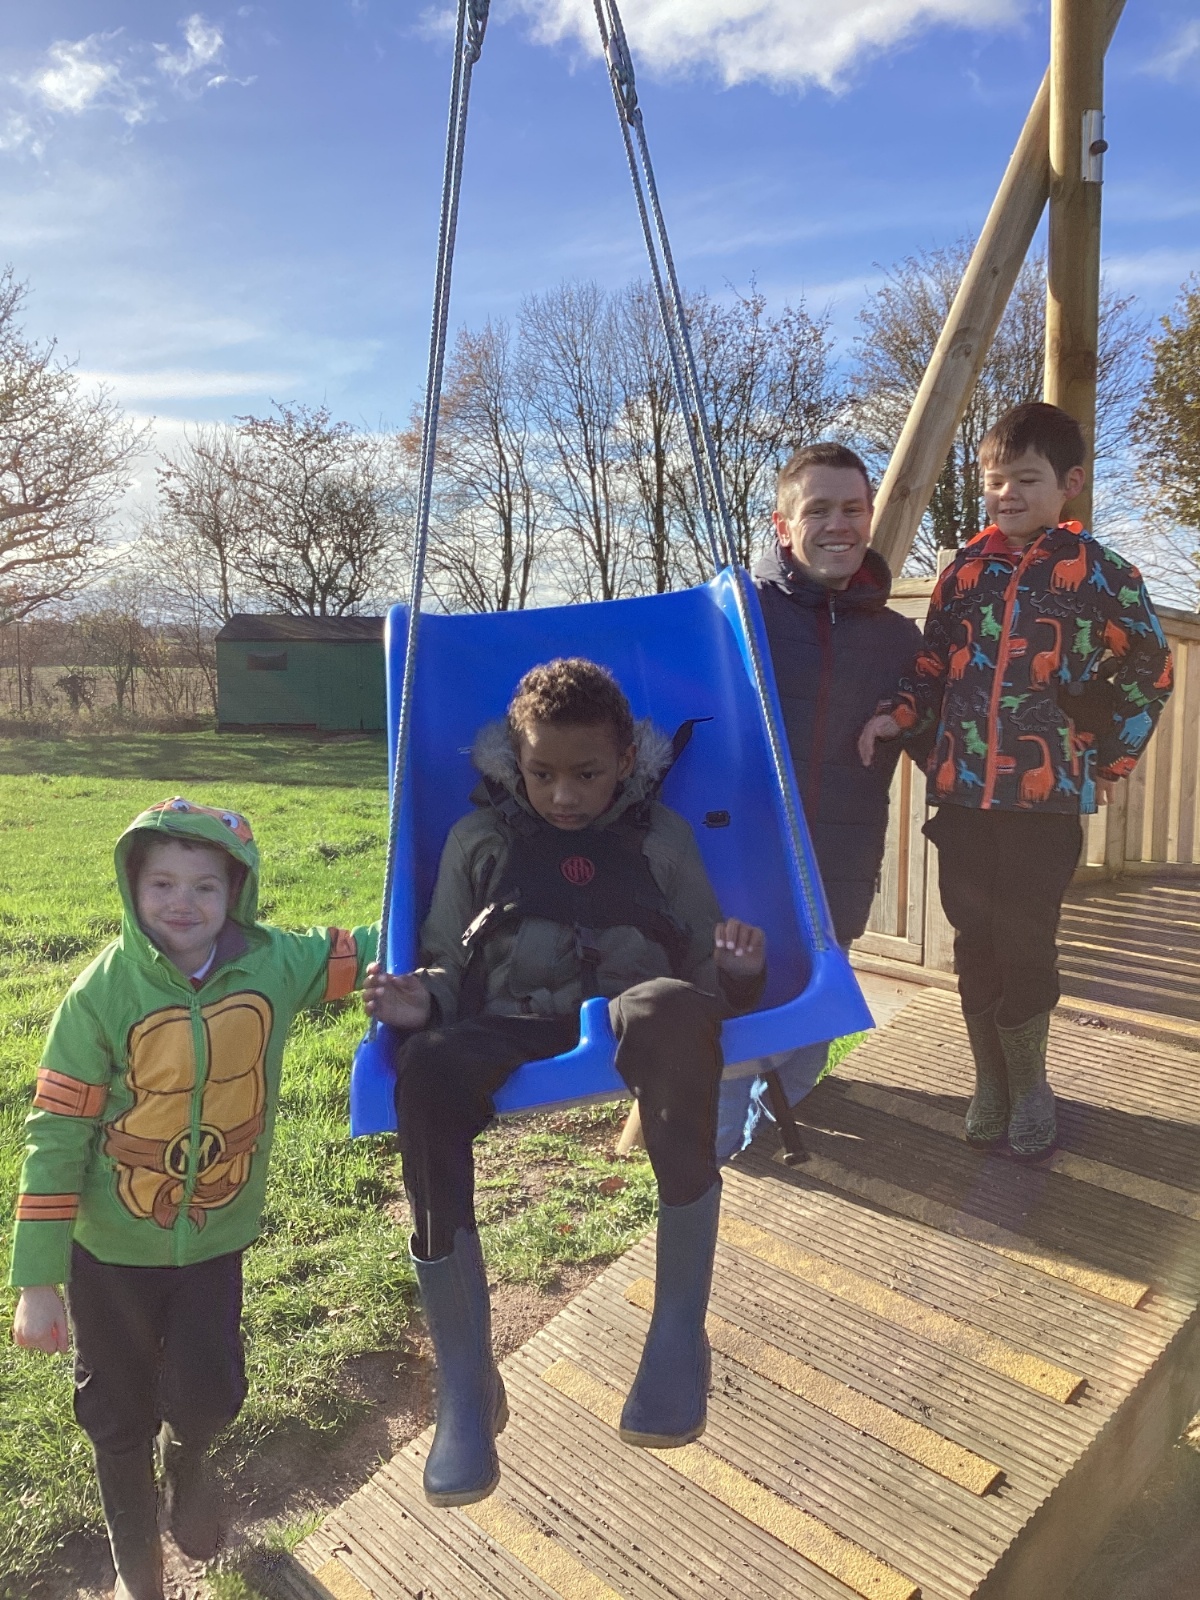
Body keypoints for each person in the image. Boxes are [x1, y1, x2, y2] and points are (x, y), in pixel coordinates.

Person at [363, 658, 766, 1508]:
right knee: (425, 1069)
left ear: (625, 760)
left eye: (586, 774)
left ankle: (677, 1334)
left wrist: (738, 973)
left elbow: (701, 962)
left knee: (670, 1009)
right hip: (509, 1016)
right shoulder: (479, 841)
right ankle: (467, 1384)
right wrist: (416, 1000)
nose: (563, 795)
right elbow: (444, 961)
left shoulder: (662, 838)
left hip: (632, 1013)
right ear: (516, 760)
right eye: (542, 773)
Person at [9, 799, 378, 1600]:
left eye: (205, 886)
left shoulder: (274, 964)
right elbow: (56, 1133)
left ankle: (189, 1459)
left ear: (235, 892)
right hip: (110, 1250)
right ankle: (136, 1571)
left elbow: (371, 950)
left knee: (210, 1395)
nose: (183, 903)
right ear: (132, 887)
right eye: (163, 884)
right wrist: (37, 1280)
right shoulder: (101, 995)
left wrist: (454, 900)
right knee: (116, 1416)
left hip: (215, 1239)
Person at [859, 401, 1173, 1161]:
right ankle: (989, 1081)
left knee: (1027, 938)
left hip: (1046, 800)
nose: (1007, 494)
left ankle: (1030, 1082)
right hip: (964, 794)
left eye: (1026, 479)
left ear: (1069, 484)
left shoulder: (1101, 574)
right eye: (995, 480)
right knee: (974, 936)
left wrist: (1108, 752)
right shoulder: (962, 573)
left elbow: (1151, 666)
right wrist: (898, 717)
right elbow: (931, 665)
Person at [714, 442, 924, 1159]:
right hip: (743, 868)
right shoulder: (736, 613)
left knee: (810, 1034)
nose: (839, 524)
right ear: (783, 525)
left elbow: (940, 713)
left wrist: (903, 714)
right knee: (735, 1028)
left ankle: (762, 1141)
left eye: (853, 509)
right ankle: (716, 1164)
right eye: (819, 510)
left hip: (840, 863)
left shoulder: (896, 639)